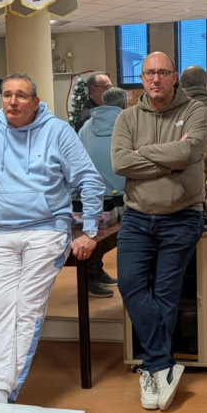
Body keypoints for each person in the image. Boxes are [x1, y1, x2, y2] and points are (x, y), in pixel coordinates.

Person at [0, 73, 104, 404]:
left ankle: (0, 394)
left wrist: (90, 230)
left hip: (47, 230)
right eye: (7, 95)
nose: (12, 101)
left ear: (35, 102)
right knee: (0, 308)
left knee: (27, 309)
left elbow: (90, 179)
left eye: (21, 95)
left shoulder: (57, 131)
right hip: (3, 232)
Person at [112, 52, 207, 412]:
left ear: (174, 76)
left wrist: (144, 154)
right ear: (141, 78)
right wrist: (169, 163)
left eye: (163, 73)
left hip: (182, 216)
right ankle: (162, 363)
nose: (156, 79)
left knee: (166, 293)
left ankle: (153, 368)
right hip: (137, 218)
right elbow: (120, 162)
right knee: (130, 285)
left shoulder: (195, 110)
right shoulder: (127, 117)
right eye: (149, 73)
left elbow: (191, 150)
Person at [77, 86, 128, 298]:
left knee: (96, 236)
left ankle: (95, 273)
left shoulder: (86, 126)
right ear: (124, 105)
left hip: (92, 193)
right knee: (121, 239)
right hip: (122, 192)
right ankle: (91, 278)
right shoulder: (128, 123)